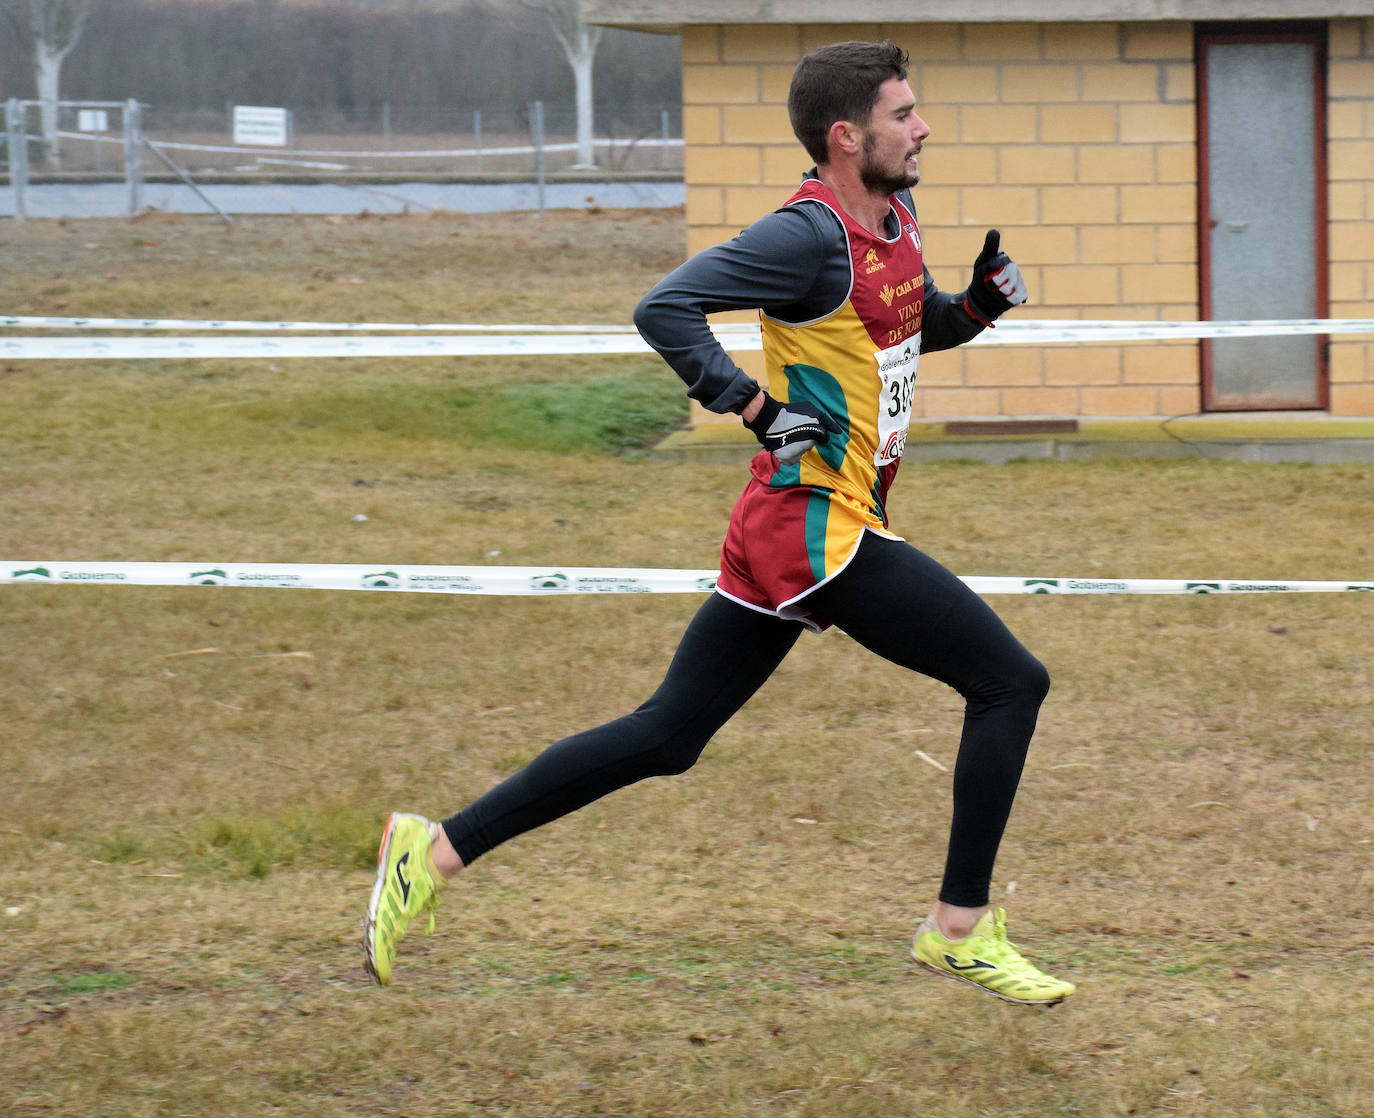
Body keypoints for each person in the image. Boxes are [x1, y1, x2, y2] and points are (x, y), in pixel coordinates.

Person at [363, 39, 1074, 1006]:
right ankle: (960, 928)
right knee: (1009, 682)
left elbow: (906, 329)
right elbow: (667, 309)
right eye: (903, 114)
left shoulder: (894, 215)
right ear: (845, 136)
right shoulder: (805, 237)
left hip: (798, 521)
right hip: (817, 527)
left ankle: (431, 851)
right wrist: (749, 403)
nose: (923, 126)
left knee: (668, 736)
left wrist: (977, 308)